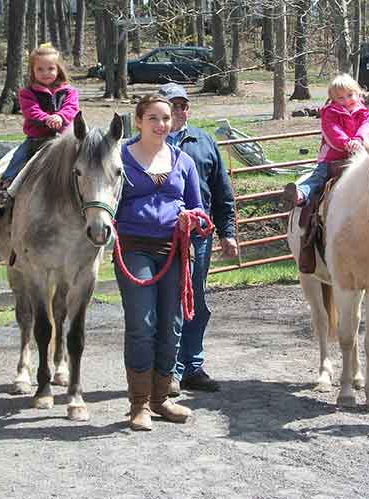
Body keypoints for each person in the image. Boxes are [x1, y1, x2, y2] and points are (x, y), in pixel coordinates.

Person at [114, 94, 204, 431]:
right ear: (138, 121)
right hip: (133, 248)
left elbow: (198, 205)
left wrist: (195, 218)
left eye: (166, 118)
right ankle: (138, 405)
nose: (161, 124)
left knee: (172, 325)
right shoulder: (120, 158)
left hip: (174, 250)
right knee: (143, 323)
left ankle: (161, 398)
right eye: (153, 118)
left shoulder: (183, 161)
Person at [157, 83, 238, 395]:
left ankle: (192, 366)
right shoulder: (148, 145)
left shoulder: (204, 142)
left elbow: (222, 192)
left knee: (195, 301)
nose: (178, 112)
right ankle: (169, 369)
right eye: (171, 106)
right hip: (160, 237)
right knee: (168, 302)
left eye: (182, 106)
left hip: (198, 236)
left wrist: (228, 233)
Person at [0, 44, 80, 238]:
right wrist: (46, 119)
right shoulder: (27, 93)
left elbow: (72, 109)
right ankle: (2, 195)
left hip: (64, 140)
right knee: (17, 161)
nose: (45, 73)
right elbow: (31, 111)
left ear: (58, 69)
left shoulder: (69, 91)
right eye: (40, 69)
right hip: (37, 139)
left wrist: (60, 117)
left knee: (85, 165)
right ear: (32, 71)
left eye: (50, 68)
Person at [282, 73, 369, 207]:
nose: (347, 100)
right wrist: (347, 143)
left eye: (350, 95)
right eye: (341, 98)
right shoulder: (330, 112)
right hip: (332, 158)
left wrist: (359, 140)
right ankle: (301, 193)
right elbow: (332, 130)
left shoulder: (363, 111)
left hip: (359, 154)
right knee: (319, 177)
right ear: (333, 99)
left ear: (357, 93)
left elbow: (367, 126)